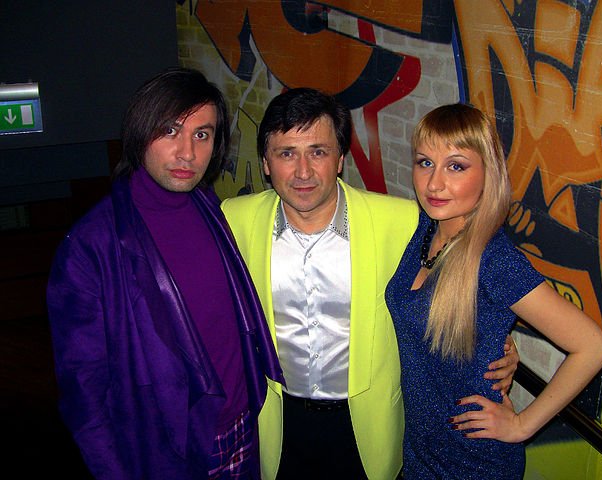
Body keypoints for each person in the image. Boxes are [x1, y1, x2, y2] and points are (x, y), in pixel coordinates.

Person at [221, 88, 520, 479]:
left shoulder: (402, 221)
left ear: (340, 159)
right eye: (286, 153)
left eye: (318, 152)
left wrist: (496, 341)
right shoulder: (234, 219)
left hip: (367, 424)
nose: (303, 172)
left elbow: (461, 274)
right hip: (277, 419)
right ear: (265, 162)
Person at [46, 67, 283, 479]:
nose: (187, 153)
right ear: (140, 133)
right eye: (170, 130)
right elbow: (84, 391)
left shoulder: (211, 209)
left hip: (242, 427)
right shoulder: (91, 245)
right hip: (167, 450)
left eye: (202, 134)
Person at [385, 103, 602, 479]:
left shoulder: (493, 260)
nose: (434, 183)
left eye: (456, 166)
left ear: (487, 173)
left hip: (474, 461)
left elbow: (593, 346)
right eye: (425, 163)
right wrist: (497, 345)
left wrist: (522, 425)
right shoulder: (425, 227)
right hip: (420, 451)